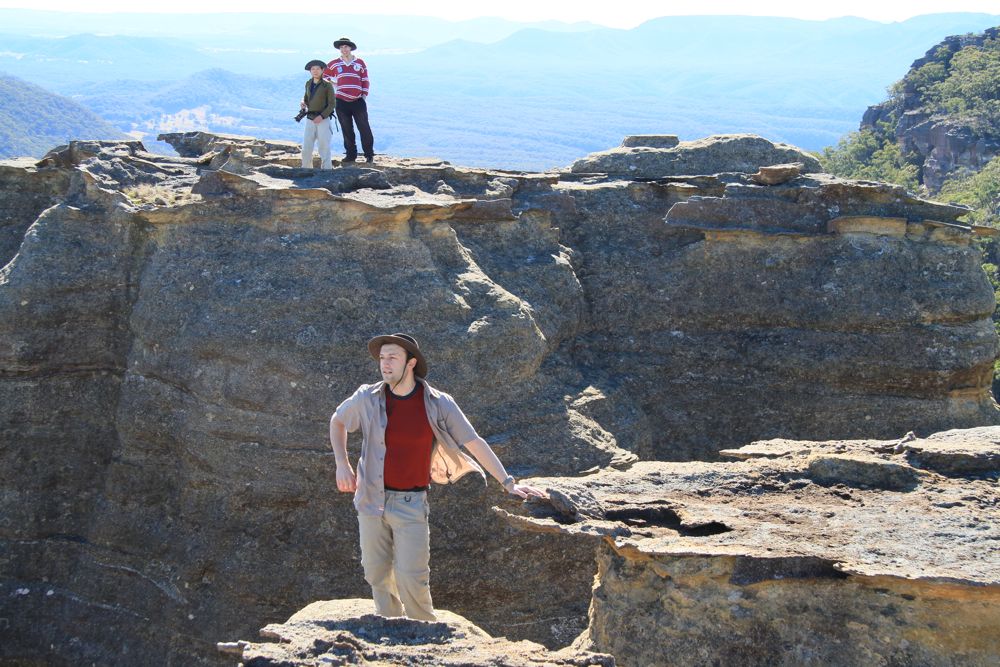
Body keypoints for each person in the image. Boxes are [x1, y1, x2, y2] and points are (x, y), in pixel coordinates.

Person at [329, 333, 545, 621]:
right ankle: (389, 631)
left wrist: (508, 483)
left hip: (411, 504)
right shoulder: (367, 397)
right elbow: (338, 421)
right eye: (382, 358)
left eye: (392, 357)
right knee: (376, 574)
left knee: (412, 578)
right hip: (370, 501)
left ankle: (423, 634)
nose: (384, 364)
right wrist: (342, 464)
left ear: (411, 363)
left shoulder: (437, 402)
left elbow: (473, 441)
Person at [324, 37, 375, 163]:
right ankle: (351, 155)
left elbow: (365, 80)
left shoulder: (360, 63)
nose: (344, 49)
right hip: (341, 101)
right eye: (341, 47)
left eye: (346, 47)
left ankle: (369, 154)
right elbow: (325, 76)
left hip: (358, 100)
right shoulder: (334, 63)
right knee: (347, 129)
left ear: (350, 48)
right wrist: (334, 84)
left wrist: (363, 96)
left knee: (364, 128)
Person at [300, 59, 336, 169]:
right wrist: (303, 102)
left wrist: (321, 116)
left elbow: (332, 104)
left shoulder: (327, 85)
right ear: (310, 71)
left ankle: (327, 170)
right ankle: (306, 169)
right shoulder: (308, 83)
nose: (315, 71)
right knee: (306, 147)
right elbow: (306, 98)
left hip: (323, 120)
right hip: (310, 118)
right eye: (313, 69)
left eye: (317, 69)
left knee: (324, 146)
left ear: (322, 70)